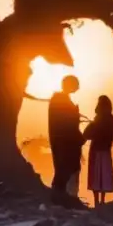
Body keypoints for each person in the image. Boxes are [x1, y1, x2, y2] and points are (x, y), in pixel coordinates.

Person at [48, 75, 85, 205]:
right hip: (64, 143)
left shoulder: (60, 100)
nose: (77, 88)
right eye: (75, 85)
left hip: (63, 141)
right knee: (64, 169)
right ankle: (60, 198)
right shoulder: (60, 100)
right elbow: (66, 123)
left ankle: (61, 197)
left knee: (64, 170)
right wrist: (74, 114)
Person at [83, 95, 113, 207]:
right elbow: (112, 135)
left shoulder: (97, 120)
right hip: (106, 150)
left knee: (95, 176)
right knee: (104, 175)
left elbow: (87, 134)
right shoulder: (112, 120)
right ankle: (102, 201)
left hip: (96, 150)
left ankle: (97, 201)